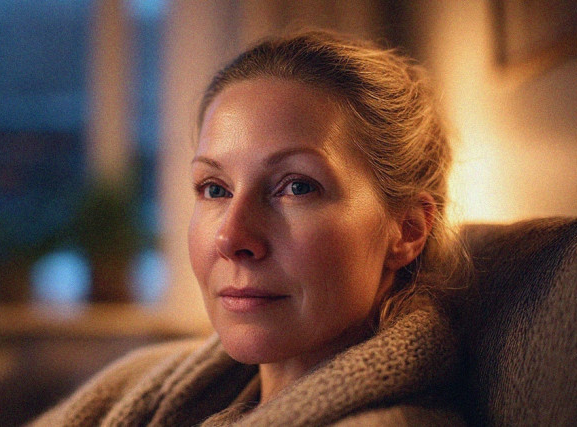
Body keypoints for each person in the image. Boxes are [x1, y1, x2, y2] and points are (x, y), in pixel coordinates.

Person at [32, 30, 469, 426]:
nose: (230, 237)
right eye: (215, 189)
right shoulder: (143, 381)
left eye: (297, 187)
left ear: (408, 230)